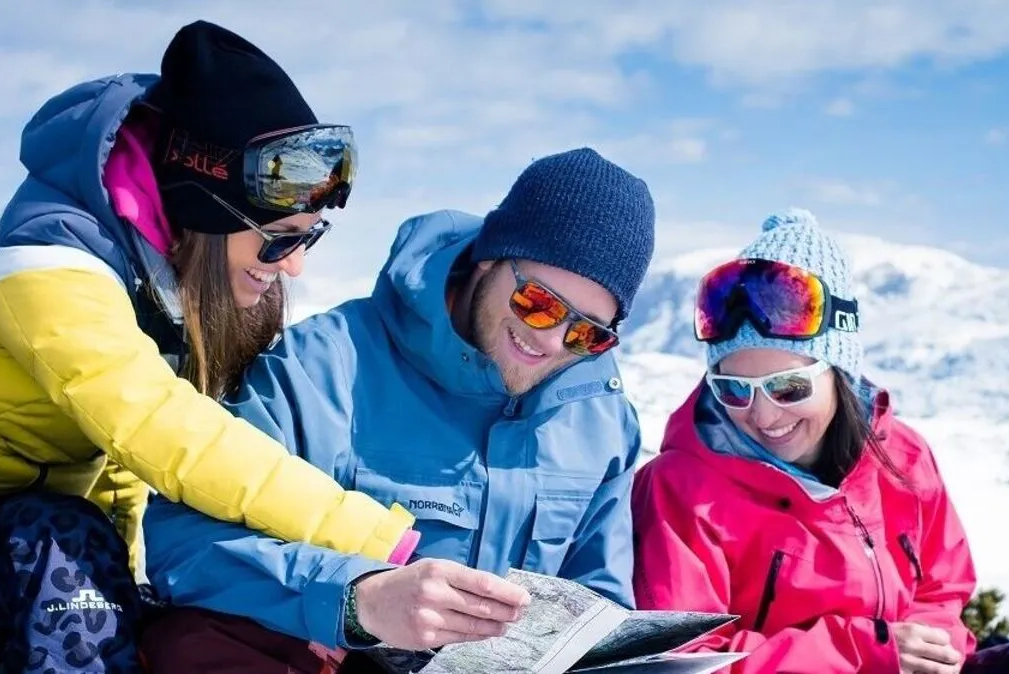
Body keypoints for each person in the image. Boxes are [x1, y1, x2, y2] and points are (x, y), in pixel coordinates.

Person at [0, 20, 417, 674]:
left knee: (73, 555)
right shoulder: (41, 254)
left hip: (19, 524)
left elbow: (122, 463)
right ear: (204, 206)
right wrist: (381, 542)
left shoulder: (175, 270)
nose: (296, 266)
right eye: (279, 238)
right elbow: (157, 428)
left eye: (312, 238)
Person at [137, 147, 657, 673]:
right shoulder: (326, 368)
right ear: (489, 257)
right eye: (539, 305)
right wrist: (355, 600)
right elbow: (183, 539)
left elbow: (601, 605)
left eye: (588, 333)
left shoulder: (603, 423)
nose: (550, 342)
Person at [631, 209, 1009, 673]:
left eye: (789, 387)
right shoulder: (680, 490)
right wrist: (868, 653)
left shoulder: (902, 456)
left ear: (839, 373)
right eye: (733, 390)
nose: (763, 415)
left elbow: (941, 587)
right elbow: (690, 661)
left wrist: (928, 646)